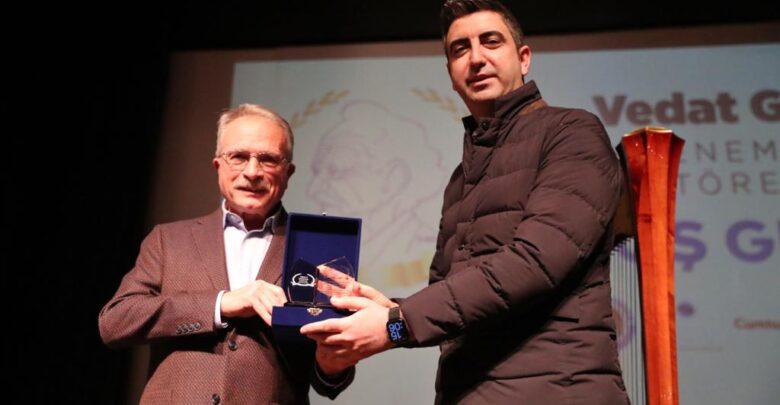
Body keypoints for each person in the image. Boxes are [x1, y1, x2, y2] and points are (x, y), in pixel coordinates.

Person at [301, 1, 629, 404]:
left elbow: (535, 262)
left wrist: (394, 324)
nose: (476, 58)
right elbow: (453, 300)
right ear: (451, 75)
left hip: (555, 391)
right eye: (460, 49)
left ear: (524, 58)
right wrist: (389, 310)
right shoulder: (461, 178)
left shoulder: (571, 132)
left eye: (491, 42)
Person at [99, 104, 353, 404]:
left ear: (288, 172)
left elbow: (329, 378)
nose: (252, 172)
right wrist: (221, 304)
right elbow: (115, 322)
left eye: (269, 159)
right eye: (239, 157)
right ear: (218, 165)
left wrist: (333, 364)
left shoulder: (319, 247)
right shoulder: (169, 239)